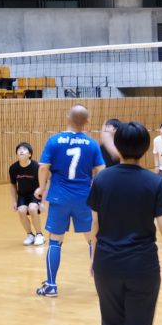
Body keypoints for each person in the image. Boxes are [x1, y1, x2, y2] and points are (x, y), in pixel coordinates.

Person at [90, 122, 162, 325]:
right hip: (141, 267)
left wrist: (94, 258)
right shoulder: (154, 182)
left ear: (118, 146)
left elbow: (95, 224)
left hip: (107, 264)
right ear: (145, 148)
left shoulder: (102, 180)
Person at [34, 105, 105, 297]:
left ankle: (51, 286)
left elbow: (43, 167)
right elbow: (102, 171)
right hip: (84, 198)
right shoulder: (91, 144)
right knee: (92, 240)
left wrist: (41, 187)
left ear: (67, 118)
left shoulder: (54, 140)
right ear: (87, 122)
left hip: (59, 196)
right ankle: (101, 285)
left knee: (55, 241)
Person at [8, 142, 44, 246]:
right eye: (19, 150)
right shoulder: (13, 168)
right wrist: (14, 201)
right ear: (16, 154)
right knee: (21, 210)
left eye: (24, 149)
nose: (21, 151)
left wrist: (43, 202)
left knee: (32, 208)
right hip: (22, 195)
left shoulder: (36, 167)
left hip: (35, 194)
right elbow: (13, 185)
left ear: (30, 154)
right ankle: (30, 235)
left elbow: (44, 184)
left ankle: (39, 235)